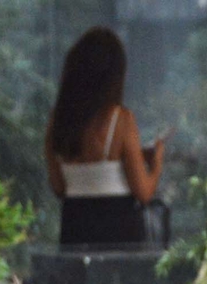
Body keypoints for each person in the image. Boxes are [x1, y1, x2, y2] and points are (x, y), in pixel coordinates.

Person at [44, 29, 166, 248]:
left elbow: (59, 187)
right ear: (113, 76)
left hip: (74, 228)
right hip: (119, 231)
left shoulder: (58, 121)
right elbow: (144, 192)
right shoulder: (121, 119)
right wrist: (156, 163)